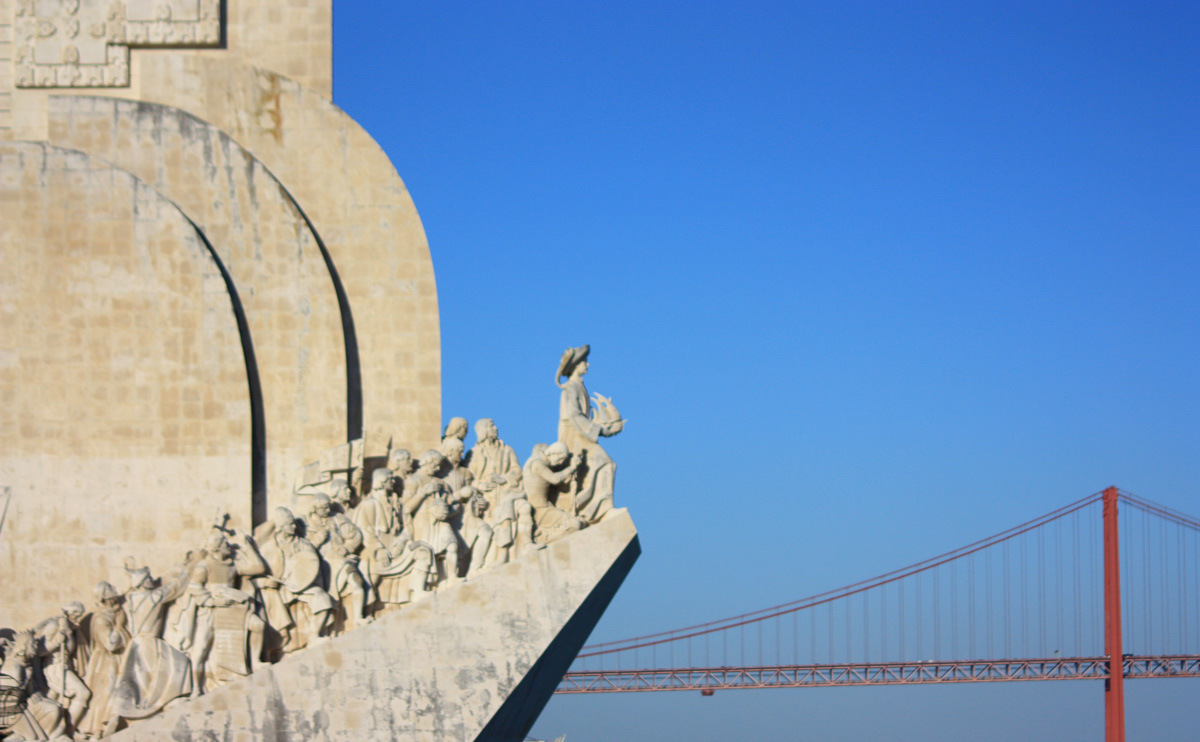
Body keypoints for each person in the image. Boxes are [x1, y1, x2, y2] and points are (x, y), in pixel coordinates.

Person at [253, 507, 334, 655]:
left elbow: (310, 564)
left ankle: (314, 635)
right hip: (279, 588)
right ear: (281, 527)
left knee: (323, 598)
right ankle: (274, 648)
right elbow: (256, 575)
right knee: (268, 601)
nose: (294, 526)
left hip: (301, 586)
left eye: (294, 523)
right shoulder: (269, 548)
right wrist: (265, 583)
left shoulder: (302, 543)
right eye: (290, 524)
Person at [556, 345, 624, 521]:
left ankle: (591, 509)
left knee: (598, 467)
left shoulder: (579, 386)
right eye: (584, 362)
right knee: (606, 463)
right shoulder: (571, 388)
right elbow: (574, 416)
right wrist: (600, 430)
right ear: (576, 365)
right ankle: (601, 509)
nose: (587, 365)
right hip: (573, 436)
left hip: (581, 433)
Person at [307, 493, 371, 630]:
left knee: (356, 582)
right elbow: (304, 553)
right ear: (314, 509)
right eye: (323, 508)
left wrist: (347, 547)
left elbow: (356, 535)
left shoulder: (336, 519)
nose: (327, 511)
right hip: (323, 568)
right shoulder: (307, 525)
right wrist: (317, 540)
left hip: (341, 561)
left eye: (328, 507)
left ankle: (358, 617)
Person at [78, 581, 130, 738]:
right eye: (111, 597)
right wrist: (119, 626)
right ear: (105, 600)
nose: (115, 600)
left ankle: (108, 726)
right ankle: (97, 729)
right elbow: (111, 644)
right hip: (106, 662)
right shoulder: (101, 619)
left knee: (115, 693)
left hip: (117, 660)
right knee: (105, 695)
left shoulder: (115, 612)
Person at [34, 601, 92, 730]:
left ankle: (49, 729)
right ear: (69, 613)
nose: (78, 619)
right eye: (76, 615)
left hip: (66, 666)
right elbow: (41, 651)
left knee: (52, 700)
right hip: (55, 667)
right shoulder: (55, 625)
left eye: (80, 615)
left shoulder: (70, 628)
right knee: (83, 693)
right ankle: (69, 729)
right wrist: (57, 640)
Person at [523, 442, 586, 544]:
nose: (560, 462)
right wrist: (572, 467)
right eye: (560, 458)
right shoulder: (537, 463)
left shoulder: (542, 463)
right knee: (574, 524)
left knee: (580, 523)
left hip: (545, 507)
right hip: (539, 509)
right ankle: (545, 544)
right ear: (554, 453)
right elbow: (555, 479)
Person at [465, 418, 520, 507]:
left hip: (503, 493)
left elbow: (517, 470)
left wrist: (505, 478)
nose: (496, 428)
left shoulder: (506, 450)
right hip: (482, 496)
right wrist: (479, 485)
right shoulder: (473, 452)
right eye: (492, 426)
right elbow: (467, 477)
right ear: (484, 430)